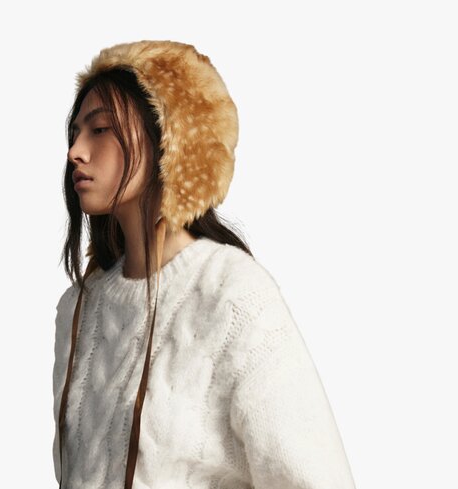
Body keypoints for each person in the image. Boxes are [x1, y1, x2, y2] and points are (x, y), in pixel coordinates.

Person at [53, 40, 356, 489]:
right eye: (75, 132)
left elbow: (316, 479)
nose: (76, 151)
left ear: (171, 140)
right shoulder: (78, 308)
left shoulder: (231, 293)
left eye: (100, 129)